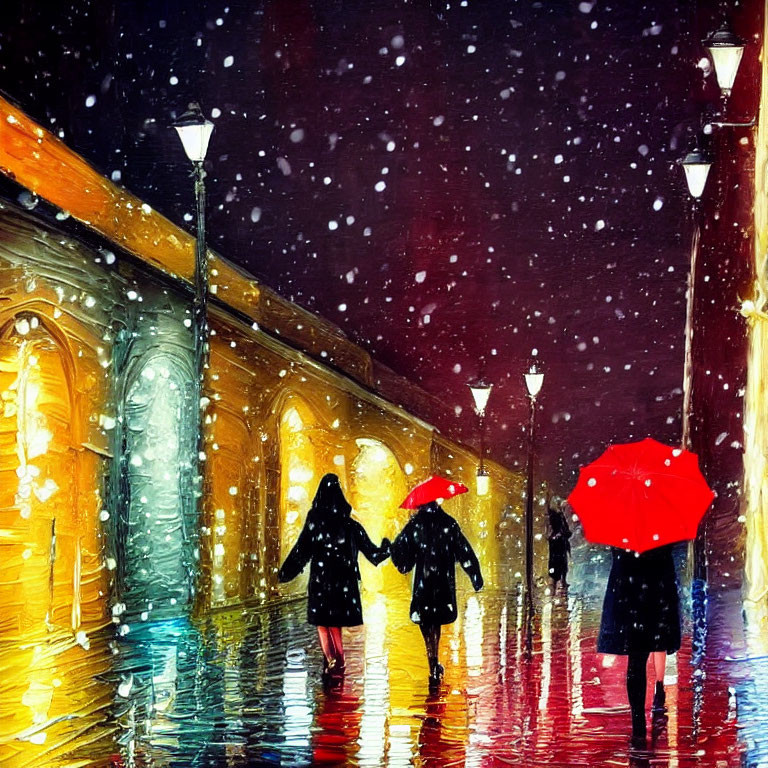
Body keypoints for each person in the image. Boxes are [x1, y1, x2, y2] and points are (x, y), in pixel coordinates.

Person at [278, 473, 390, 677]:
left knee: (323, 623)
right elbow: (373, 554)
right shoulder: (349, 525)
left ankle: (332, 659)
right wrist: (386, 548)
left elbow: (301, 550)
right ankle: (337, 660)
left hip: (321, 581)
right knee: (335, 622)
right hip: (342, 581)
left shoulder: (315, 522)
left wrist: (286, 572)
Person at [391, 500, 483, 685]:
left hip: (424, 582)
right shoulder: (448, 523)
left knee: (426, 621)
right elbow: (463, 550)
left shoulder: (416, 525)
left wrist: (397, 553)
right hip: (442, 581)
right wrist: (475, 575)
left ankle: (432, 659)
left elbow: (401, 551)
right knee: (435, 620)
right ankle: (434, 660)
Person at [597, 544, 680, 748]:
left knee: (636, 660)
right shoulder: (660, 534)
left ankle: (638, 724)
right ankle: (639, 722)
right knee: (639, 657)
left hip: (632, 597)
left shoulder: (622, 533)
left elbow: (617, 563)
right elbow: (667, 566)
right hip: (652, 595)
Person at [547, 497, 572, 592]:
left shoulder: (559, 516)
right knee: (557, 565)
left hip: (560, 544)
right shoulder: (555, 516)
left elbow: (566, 530)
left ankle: (560, 582)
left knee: (561, 565)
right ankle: (556, 584)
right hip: (557, 544)